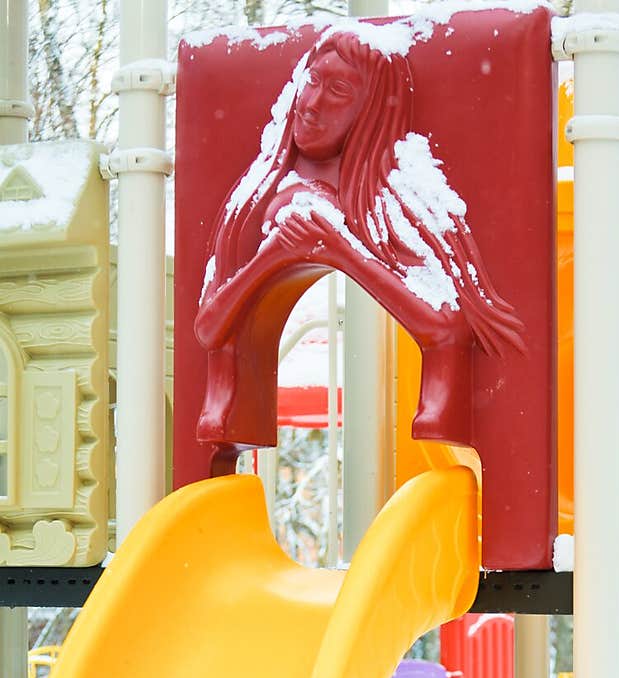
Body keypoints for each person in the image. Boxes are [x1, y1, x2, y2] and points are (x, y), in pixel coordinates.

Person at [195, 26, 524, 445]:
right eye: (312, 81)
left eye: (337, 90)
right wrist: (273, 256)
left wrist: (341, 249)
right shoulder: (252, 199)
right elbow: (209, 328)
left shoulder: (396, 202)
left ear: (369, 112)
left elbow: (445, 324)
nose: (311, 104)